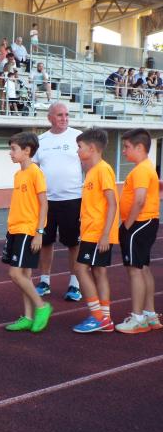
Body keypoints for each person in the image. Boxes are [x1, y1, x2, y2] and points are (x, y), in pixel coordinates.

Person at [2, 132, 52, 332]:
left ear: (27, 150)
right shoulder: (18, 174)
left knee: (15, 273)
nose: (10, 153)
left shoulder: (35, 172)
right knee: (24, 275)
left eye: (14, 149)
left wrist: (39, 232)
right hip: (15, 228)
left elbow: (44, 203)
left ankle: (42, 306)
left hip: (28, 229)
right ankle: (28, 316)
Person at [33, 103, 82, 300]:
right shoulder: (40, 140)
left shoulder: (78, 137)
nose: (64, 118)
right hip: (47, 202)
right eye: (60, 115)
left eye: (67, 115)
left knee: (74, 244)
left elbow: (88, 165)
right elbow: (34, 171)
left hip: (73, 199)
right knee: (45, 242)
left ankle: (74, 285)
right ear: (50, 117)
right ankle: (44, 281)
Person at [72, 128, 119, 334]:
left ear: (91, 148)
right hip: (91, 231)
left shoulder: (103, 169)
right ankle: (105, 318)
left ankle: (97, 317)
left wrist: (105, 234)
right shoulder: (91, 171)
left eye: (79, 147)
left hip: (97, 232)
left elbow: (112, 203)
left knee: (81, 269)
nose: (77, 151)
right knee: (98, 271)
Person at [116, 129, 161, 333]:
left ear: (140, 147)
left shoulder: (142, 169)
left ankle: (138, 319)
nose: (124, 151)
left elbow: (140, 199)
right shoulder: (145, 168)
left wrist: (128, 224)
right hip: (145, 223)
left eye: (126, 147)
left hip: (138, 224)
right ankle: (150, 315)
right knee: (143, 268)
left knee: (135, 270)